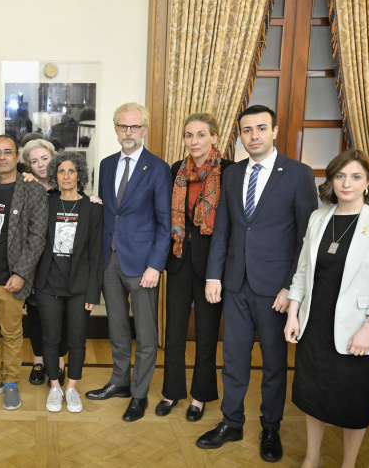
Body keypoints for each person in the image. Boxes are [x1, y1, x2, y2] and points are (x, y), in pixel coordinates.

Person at [196, 105, 317, 462]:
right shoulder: (231, 175)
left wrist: (290, 288)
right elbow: (224, 228)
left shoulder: (298, 174)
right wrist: (214, 274)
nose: (254, 136)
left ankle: (270, 428)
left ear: (275, 131)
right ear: (240, 135)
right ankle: (231, 423)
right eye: (247, 130)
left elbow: (305, 238)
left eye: (261, 128)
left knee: (274, 364)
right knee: (233, 359)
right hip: (234, 284)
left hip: (275, 290)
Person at [285, 149, 369, 468]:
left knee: (354, 405)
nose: (347, 183)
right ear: (331, 180)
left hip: (358, 330)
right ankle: (312, 457)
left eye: (356, 176)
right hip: (314, 325)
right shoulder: (319, 218)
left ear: (368, 182)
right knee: (311, 396)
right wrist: (293, 312)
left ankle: (348, 464)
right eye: (340, 175)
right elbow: (303, 271)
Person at [85, 102, 171, 423]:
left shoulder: (157, 168)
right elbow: (112, 210)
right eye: (123, 127)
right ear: (116, 128)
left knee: (146, 334)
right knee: (117, 328)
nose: (129, 133)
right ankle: (120, 382)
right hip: (110, 259)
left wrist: (155, 265)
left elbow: (165, 222)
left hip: (143, 264)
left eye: (135, 127)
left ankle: (139, 394)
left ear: (145, 129)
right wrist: (97, 205)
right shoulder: (107, 165)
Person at [158, 113, 233, 421]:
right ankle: (171, 391)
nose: (194, 141)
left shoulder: (229, 172)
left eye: (201, 134)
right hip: (178, 260)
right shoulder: (177, 170)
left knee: (205, 333)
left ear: (214, 138)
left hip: (211, 266)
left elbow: (229, 224)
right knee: (174, 331)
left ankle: (200, 396)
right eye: (189, 135)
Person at [0, 134, 48, 411]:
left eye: (7, 152)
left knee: (12, 334)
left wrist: (22, 273)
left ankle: (11, 382)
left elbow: (37, 237)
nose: (2, 157)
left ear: (17, 157)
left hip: (10, 280)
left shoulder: (33, 191)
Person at [34, 151, 102, 413]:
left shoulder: (93, 208)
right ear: (55, 175)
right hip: (48, 283)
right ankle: (54, 386)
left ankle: (71, 387)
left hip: (79, 286)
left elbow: (96, 253)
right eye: (61, 171)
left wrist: (93, 293)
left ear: (79, 175)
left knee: (77, 339)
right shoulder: (46, 202)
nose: (66, 176)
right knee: (50, 338)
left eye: (71, 171)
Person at [20, 139, 68, 386]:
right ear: (28, 165)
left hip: (61, 262)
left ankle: (59, 361)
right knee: (36, 314)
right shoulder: (25, 188)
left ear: (54, 158)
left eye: (44, 159)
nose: (40, 165)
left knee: (62, 314)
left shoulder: (67, 184)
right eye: (34, 161)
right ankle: (38, 360)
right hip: (34, 262)